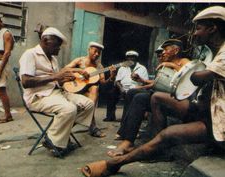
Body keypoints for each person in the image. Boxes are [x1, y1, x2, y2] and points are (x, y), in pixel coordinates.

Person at [81, 6, 225, 177]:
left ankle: (115, 164)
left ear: (212, 28)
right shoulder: (211, 54)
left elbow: (198, 77)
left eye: (199, 28)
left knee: (168, 134)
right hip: (201, 109)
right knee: (156, 97)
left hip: (217, 121)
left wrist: (184, 73)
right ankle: (154, 148)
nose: (194, 34)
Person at [19, 27, 94, 156]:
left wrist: (66, 79)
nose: (59, 49)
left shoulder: (53, 59)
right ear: (45, 41)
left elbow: (56, 81)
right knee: (69, 109)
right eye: (57, 46)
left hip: (56, 92)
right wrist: (55, 77)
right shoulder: (30, 54)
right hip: (38, 96)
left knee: (88, 104)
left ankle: (54, 136)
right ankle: (56, 143)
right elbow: (26, 82)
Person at [114, 39, 190, 146]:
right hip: (162, 94)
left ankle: (128, 138)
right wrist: (142, 81)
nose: (163, 53)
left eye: (166, 50)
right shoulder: (165, 64)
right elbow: (157, 83)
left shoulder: (183, 61)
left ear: (176, 50)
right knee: (132, 93)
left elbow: (190, 73)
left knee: (139, 98)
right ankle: (126, 134)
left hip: (175, 99)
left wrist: (171, 65)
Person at [65, 42, 116, 137]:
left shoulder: (99, 67)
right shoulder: (80, 61)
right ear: (89, 50)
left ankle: (87, 124)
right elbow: (65, 69)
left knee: (95, 88)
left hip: (88, 93)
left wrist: (112, 77)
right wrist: (79, 70)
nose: (97, 54)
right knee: (94, 91)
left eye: (99, 53)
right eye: (95, 51)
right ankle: (92, 126)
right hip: (73, 88)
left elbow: (103, 82)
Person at [103, 50, 149, 122]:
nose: (130, 59)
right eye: (128, 58)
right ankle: (110, 116)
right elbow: (117, 81)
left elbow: (145, 83)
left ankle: (128, 118)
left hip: (136, 90)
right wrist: (121, 89)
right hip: (123, 89)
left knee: (135, 95)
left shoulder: (142, 68)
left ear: (136, 58)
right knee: (111, 93)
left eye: (132, 57)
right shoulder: (122, 68)